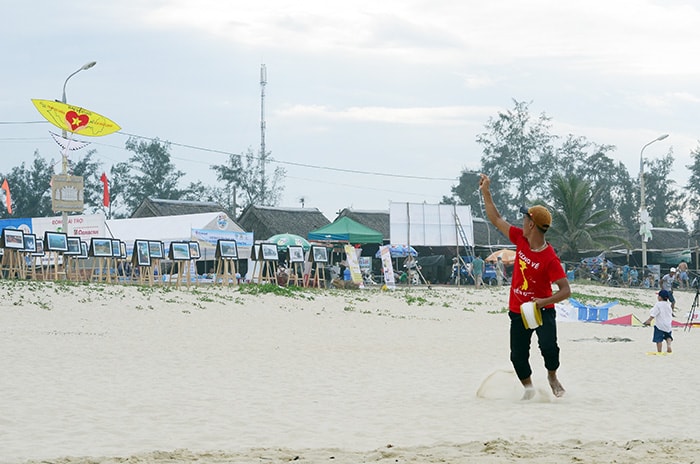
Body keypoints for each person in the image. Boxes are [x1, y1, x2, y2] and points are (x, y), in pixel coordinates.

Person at [479, 173, 571, 399]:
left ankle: (552, 376)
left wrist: (543, 302)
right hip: (518, 309)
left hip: (542, 310)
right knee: (518, 356)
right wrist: (486, 192)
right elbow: (497, 219)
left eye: (524, 219)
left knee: (549, 348)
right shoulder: (521, 238)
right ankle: (529, 389)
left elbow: (566, 290)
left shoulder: (550, 258)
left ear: (532, 224)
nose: (521, 222)